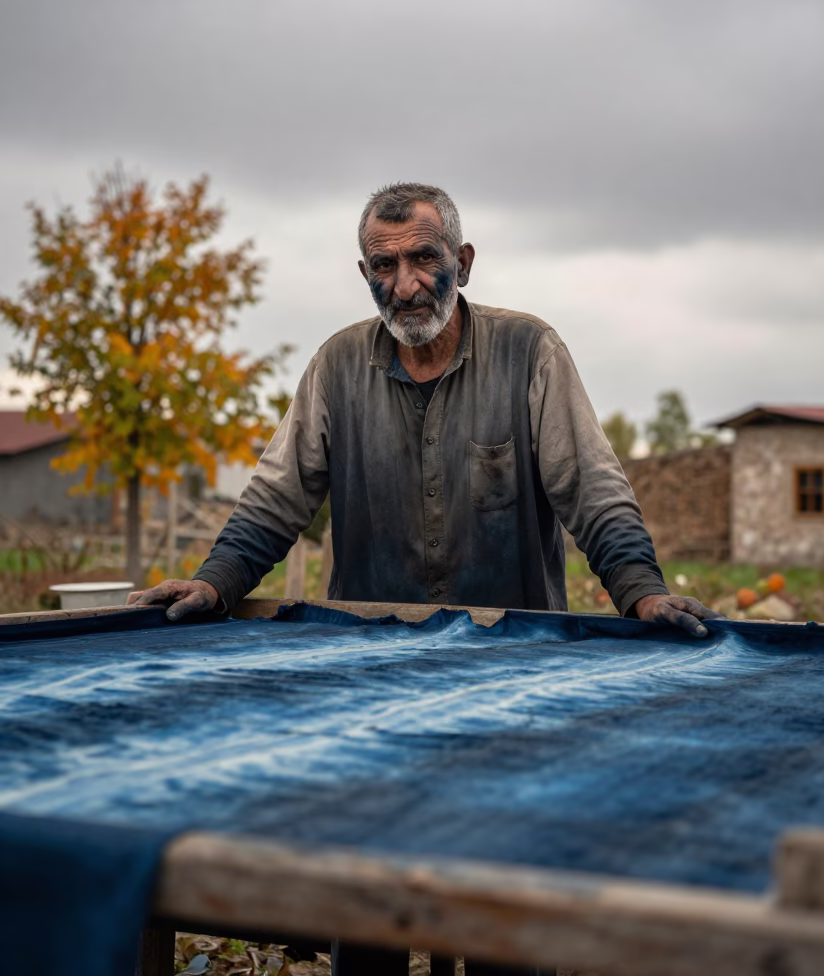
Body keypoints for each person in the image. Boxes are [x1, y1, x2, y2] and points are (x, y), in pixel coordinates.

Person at [131, 181, 718, 976]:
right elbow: (277, 495)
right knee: (366, 896)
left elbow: (593, 489)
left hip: (513, 680)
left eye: (423, 259)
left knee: (501, 904)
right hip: (367, 679)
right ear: (365, 274)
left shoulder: (530, 352)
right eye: (384, 265)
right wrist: (217, 581)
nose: (405, 284)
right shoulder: (337, 366)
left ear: (462, 263)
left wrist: (641, 590)